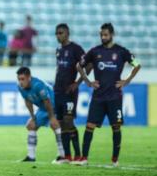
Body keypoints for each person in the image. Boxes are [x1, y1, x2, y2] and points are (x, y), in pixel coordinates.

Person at [75, 23, 141, 167]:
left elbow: (137, 64)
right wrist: (87, 81)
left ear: (111, 34)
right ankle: (84, 158)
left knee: (116, 127)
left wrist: (127, 80)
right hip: (98, 97)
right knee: (89, 126)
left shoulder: (121, 52)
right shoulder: (94, 51)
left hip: (114, 97)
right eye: (101, 35)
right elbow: (79, 65)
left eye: (105, 34)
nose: (103, 37)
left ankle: (115, 160)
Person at [54, 24, 89, 162]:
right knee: (61, 122)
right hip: (58, 91)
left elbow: (88, 65)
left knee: (69, 121)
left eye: (61, 32)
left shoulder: (76, 49)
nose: (58, 35)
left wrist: (78, 82)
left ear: (67, 33)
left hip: (69, 91)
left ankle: (79, 155)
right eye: (56, 33)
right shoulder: (58, 50)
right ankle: (67, 156)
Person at [17, 67, 66, 164]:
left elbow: (47, 101)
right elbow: (27, 101)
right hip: (43, 109)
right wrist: (33, 116)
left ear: (29, 77)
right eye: (19, 79)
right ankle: (31, 157)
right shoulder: (20, 87)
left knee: (55, 125)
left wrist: (52, 118)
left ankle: (63, 155)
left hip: (54, 105)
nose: (21, 82)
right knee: (31, 125)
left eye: (23, 79)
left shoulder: (38, 85)